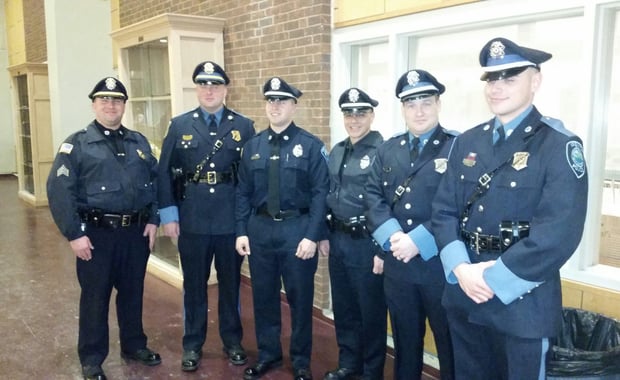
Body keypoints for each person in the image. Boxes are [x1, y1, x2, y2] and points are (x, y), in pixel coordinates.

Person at [431, 37, 588, 380]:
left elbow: (558, 234)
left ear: (535, 81)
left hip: (522, 303)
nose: (497, 88)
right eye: (491, 79)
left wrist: (491, 279)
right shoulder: (467, 142)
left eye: (510, 78)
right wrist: (460, 268)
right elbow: (443, 212)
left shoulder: (558, 146)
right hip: (464, 294)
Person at [46, 77, 161, 380]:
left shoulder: (139, 142)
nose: (111, 105)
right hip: (96, 236)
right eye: (104, 100)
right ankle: (92, 358)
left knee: (133, 293)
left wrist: (153, 218)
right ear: (94, 104)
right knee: (95, 297)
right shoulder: (77, 144)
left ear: (124, 105)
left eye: (117, 100)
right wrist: (74, 233)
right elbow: (60, 191)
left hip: (135, 234)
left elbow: (155, 183)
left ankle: (134, 344)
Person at [157, 61, 255, 372]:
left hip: (229, 221)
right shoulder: (180, 125)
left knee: (230, 285)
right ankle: (192, 344)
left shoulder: (243, 126)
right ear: (197, 89)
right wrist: (169, 215)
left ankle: (233, 341)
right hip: (193, 219)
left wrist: (245, 223)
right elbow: (163, 173)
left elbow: (250, 179)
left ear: (226, 89)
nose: (209, 90)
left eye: (215, 85)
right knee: (194, 285)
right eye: (203, 85)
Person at [235, 77, 329, 380]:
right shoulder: (253, 147)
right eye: (271, 101)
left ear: (294, 106)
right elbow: (242, 192)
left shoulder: (311, 146)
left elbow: (320, 194)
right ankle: (268, 355)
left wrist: (312, 236)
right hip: (260, 231)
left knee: (300, 300)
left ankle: (301, 361)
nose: (275, 106)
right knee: (263, 297)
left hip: (297, 231)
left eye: (282, 101)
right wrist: (241, 231)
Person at [365, 70, 457, 380]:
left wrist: (419, 240)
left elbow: (461, 205)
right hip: (399, 266)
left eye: (425, 103)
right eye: (411, 104)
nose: (418, 111)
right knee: (404, 343)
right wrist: (393, 238)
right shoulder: (387, 149)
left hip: (440, 267)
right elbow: (373, 196)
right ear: (402, 108)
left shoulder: (457, 148)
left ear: (438, 104)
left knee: (450, 344)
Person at [318, 88, 387, 380]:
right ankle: (349, 364)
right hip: (339, 239)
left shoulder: (383, 151)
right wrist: (324, 233)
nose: (354, 120)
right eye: (349, 114)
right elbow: (327, 195)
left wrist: (382, 250)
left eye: (361, 113)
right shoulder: (337, 150)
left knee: (370, 312)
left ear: (371, 115)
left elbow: (388, 204)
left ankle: (372, 371)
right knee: (344, 308)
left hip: (367, 243)